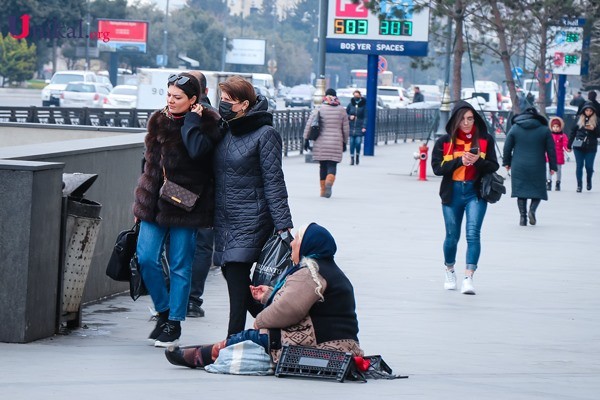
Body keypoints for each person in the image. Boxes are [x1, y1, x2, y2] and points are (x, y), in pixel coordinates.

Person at [163, 223, 364, 369]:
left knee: (251, 337)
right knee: (259, 336)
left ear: (307, 246)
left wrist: (260, 321)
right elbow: (302, 304)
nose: (293, 244)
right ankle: (201, 351)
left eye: (298, 240)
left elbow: (289, 310)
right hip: (342, 343)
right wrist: (269, 295)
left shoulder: (309, 272)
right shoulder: (327, 270)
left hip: (323, 344)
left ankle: (200, 356)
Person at [182, 75, 293, 337]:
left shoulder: (266, 134)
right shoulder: (225, 130)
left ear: (244, 104)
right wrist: (193, 122)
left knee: (234, 273)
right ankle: (282, 327)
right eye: (221, 98)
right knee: (239, 282)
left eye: (228, 100)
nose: (222, 104)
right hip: (225, 217)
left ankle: (233, 340)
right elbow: (198, 157)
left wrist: (284, 226)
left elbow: (274, 182)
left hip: (253, 217)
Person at [133, 72, 224, 347]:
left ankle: (174, 323)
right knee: (146, 257)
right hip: (153, 202)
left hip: (187, 205)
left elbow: (197, 151)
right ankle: (163, 311)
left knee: (180, 265)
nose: (171, 101)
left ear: (193, 99)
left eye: (178, 97)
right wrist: (140, 202)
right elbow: (148, 164)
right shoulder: (158, 119)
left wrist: (193, 121)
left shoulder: (210, 122)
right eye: (169, 95)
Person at [431, 100, 500, 295]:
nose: (467, 123)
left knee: (473, 234)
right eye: (463, 120)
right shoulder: (444, 142)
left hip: (475, 193)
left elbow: (494, 166)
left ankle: (469, 277)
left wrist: (478, 162)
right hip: (451, 192)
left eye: (470, 118)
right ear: (455, 121)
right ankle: (449, 270)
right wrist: (459, 160)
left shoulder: (486, 140)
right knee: (452, 236)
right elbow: (437, 169)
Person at [186, 70, 216, 318]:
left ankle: (180, 299)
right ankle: (192, 299)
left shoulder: (202, 118)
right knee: (201, 247)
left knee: (178, 246)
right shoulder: (217, 118)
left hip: (181, 194)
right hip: (207, 194)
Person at [503, 107, 557, 226]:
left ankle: (523, 217)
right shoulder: (544, 130)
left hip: (519, 165)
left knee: (521, 191)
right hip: (537, 165)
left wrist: (507, 162)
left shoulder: (515, 128)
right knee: (537, 190)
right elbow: (551, 149)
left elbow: (507, 147)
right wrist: (553, 166)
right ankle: (532, 211)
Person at [303, 88, 349, 198]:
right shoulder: (342, 110)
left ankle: (323, 190)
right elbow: (346, 129)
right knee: (332, 165)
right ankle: (329, 182)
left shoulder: (319, 109)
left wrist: (306, 139)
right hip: (336, 141)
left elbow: (310, 124)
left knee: (322, 166)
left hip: (321, 142)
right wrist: (344, 142)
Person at [567, 102, 600, 192]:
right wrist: (569, 145)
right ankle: (579, 185)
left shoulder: (597, 120)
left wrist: (594, 129)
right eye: (587, 110)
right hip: (578, 145)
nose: (588, 112)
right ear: (583, 111)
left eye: (590, 111)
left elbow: (598, 134)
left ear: (593, 111)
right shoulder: (578, 119)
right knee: (579, 165)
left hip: (591, 146)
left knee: (589, 166)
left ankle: (589, 181)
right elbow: (573, 132)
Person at [546, 117, 569, 191]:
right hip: (550, 155)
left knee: (558, 170)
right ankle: (549, 182)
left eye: (557, 127)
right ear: (551, 127)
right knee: (549, 169)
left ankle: (558, 182)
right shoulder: (549, 135)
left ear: (560, 127)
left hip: (559, 155)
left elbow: (565, 143)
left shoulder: (562, 135)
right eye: (554, 127)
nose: (555, 128)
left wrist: (567, 148)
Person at [346, 90, 367, 166]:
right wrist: (349, 117)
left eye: (357, 96)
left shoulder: (363, 105)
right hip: (351, 126)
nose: (356, 97)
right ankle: (352, 158)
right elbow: (346, 113)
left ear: (360, 96)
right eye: (355, 96)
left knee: (358, 142)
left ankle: (357, 155)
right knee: (351, 142)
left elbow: (365, 117)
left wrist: (364, 126)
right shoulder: (351, 104)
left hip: (359, 126)